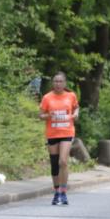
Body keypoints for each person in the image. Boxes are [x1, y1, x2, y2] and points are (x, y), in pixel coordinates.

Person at [39, 73, 80, 205]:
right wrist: (48, 115)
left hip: (67, 131)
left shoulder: (71, 96)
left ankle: (63, 191)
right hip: (52, 133)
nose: (58, 84)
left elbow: (76, 108)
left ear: (65, 83)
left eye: (60, 81)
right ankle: (57, 192)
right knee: (55, 163)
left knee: (63, 161)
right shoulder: (47, 98)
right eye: (56, 81)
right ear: (53, 83)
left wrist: (75, 115)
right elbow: (40, 115)